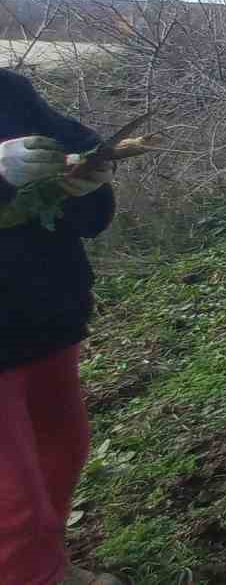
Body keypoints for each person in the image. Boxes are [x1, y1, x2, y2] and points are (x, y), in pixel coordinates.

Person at [1, 69, 123, 585]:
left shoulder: (8, 90)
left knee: (63, 443)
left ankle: (44, 567)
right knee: (11, 494)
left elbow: (77, 148)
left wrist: (84, 181)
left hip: (41, 315)